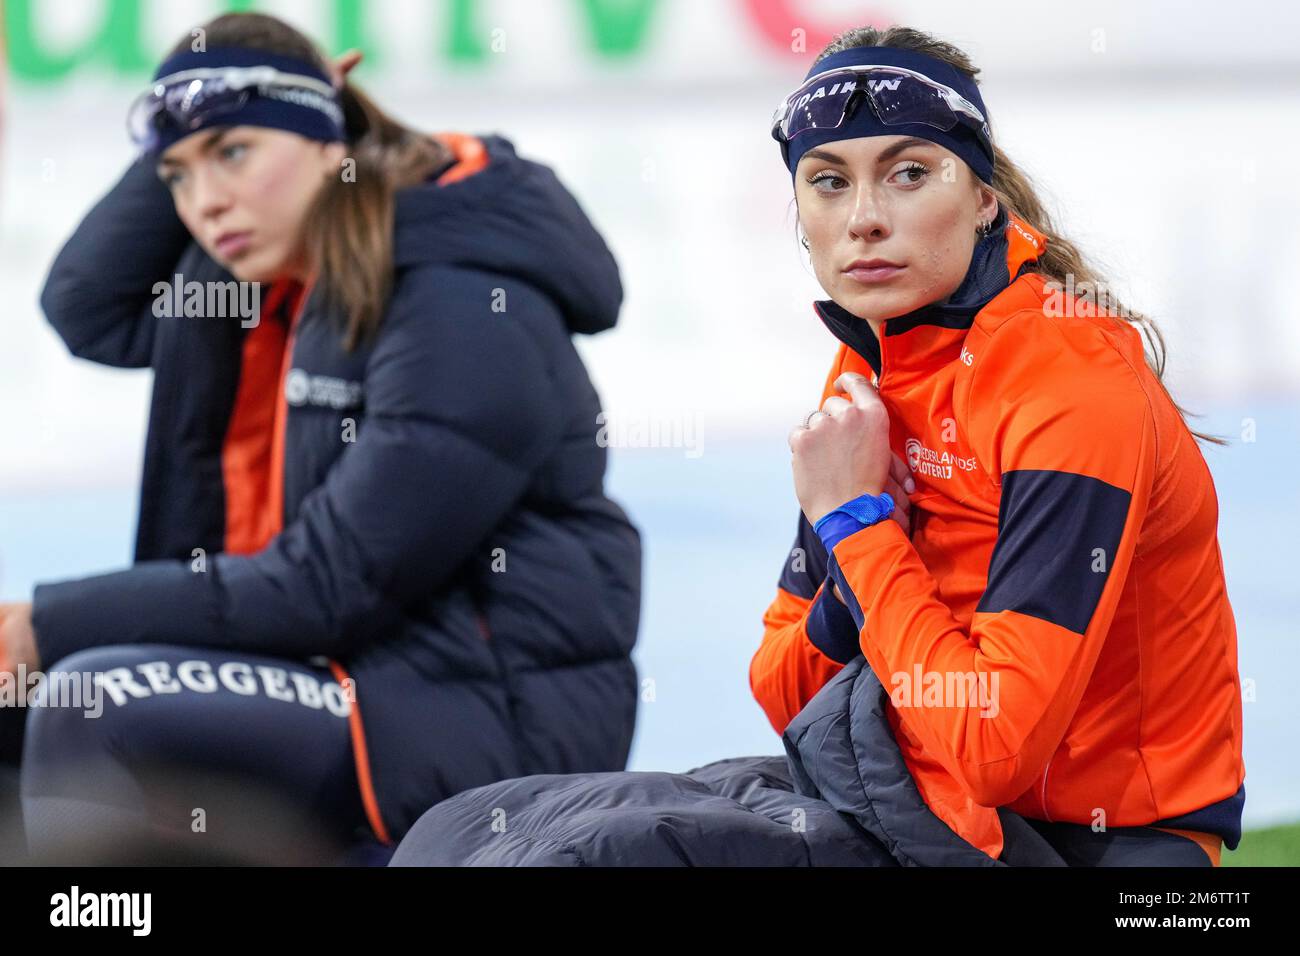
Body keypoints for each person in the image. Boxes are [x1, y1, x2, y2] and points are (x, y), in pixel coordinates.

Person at [389, 24, 1245, 868]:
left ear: (985, 196)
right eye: (829, 181)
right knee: (468, 829)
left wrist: (859, 528)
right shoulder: (877, 356)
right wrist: (855, 566)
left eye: (910, 174)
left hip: (1098, 848)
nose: (865, 219)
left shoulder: (1070, 388)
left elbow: (995, 747)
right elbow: (784, 686)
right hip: (903, 792)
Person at [0, 11, 641, 864]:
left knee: (91, 694)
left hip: (478, 721)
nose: (205, 203)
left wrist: (52, 620)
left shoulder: (465, 304)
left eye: (234, 154)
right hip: (328, 673)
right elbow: (86, 303)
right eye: (178, 177)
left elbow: (330, 585)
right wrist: (194, 131)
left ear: (325, 139)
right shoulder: (260, 284)